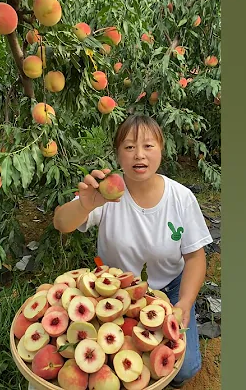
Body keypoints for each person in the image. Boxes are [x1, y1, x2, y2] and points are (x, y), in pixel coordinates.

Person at [53, 114, 213, 387]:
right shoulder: (106, 194)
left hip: (168, 287)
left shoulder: (181, 198)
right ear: (117, 154)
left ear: (162, 150)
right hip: (113, 289)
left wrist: (184, 303)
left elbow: (195, 257)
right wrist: (85, 205)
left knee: (186, 368)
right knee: (110, 365)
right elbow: (61, 223)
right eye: (129, 147)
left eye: (148, 146)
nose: (139, 155)